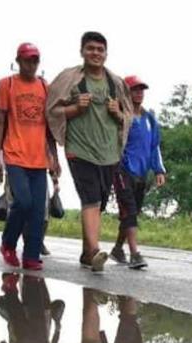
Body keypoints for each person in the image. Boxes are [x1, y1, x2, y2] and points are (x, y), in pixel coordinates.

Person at [46, 31, 132, 273]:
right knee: (91, 199)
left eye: (100, 49)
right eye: (91, 48)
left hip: (109, 153)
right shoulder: (69, 79)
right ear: (82, 51)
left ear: (106, 54)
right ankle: (94, 252)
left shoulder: (116, 83)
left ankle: (86, 254)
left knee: (99, 202)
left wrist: (118, 113)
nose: (95, 53)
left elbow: (128, 116)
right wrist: (74, 108)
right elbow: (51, 112)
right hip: (79, 150)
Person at [0, 42, 61, 271]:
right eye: (27, 59)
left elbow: (50, 127)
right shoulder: (7, 85)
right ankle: (8, 244)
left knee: (38, 210)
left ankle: (31, 255)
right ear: (18, 61)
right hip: (14, 155)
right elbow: (0, 121)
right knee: (23, 202)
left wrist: (55, 158)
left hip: (39, 158)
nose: (31, 64)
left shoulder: (44, 86)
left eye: (35, 60)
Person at [110, 75, 166, 269]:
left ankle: (118, 248)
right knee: (130, 211)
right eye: (134, 89)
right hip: (122, 169)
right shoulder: (120, 115)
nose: (139, 93)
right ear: (126, 92)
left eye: (141, 90)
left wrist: (158, 170)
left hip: (141, 174)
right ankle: (135, 254)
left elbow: (154, 146)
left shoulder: (149, 118)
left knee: (131, 214)